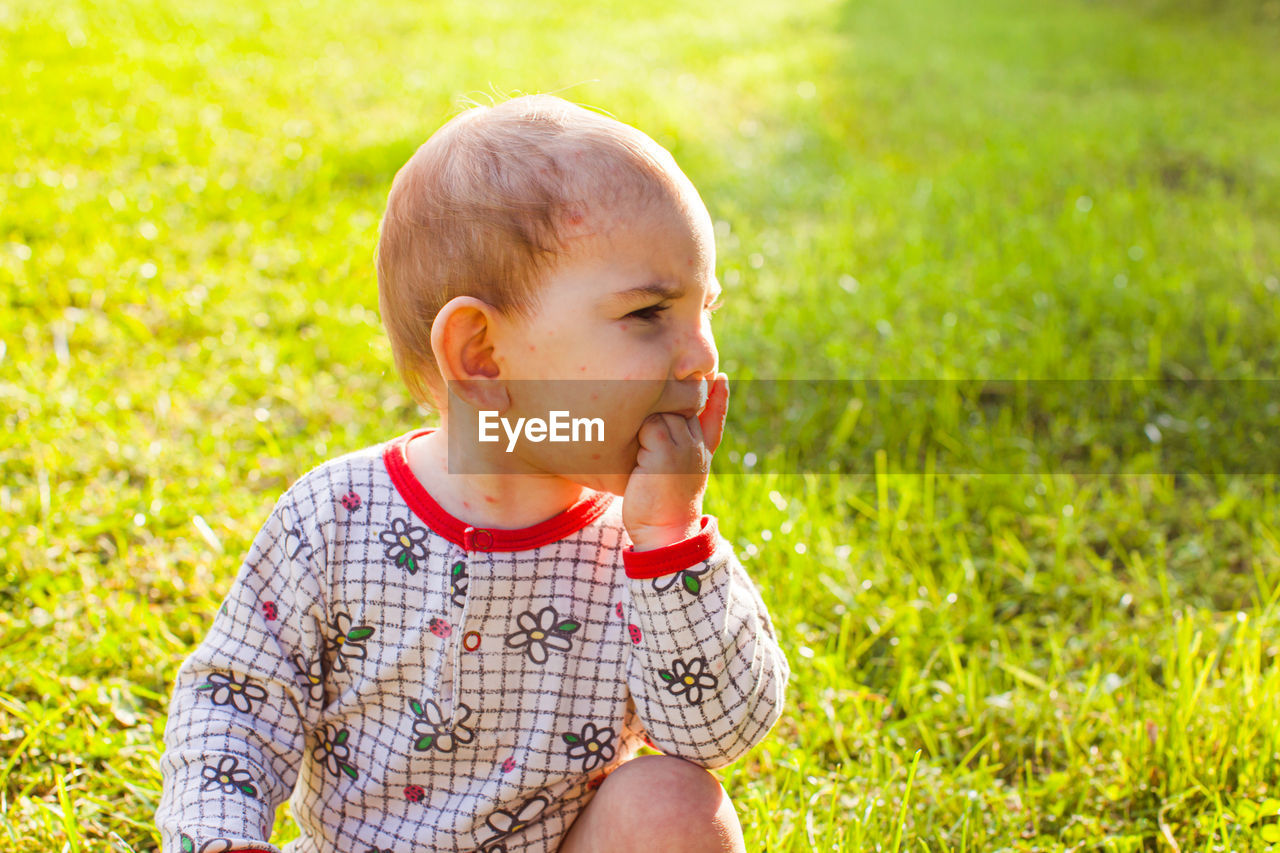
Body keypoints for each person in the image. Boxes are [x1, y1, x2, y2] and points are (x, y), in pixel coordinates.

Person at [156, 94, 790, 853]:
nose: (702, 357)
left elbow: (717, 733)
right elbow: (236, 699)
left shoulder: (645, 548)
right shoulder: (333, 519)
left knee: (675, 801)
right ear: (483, 356)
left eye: (705, 310)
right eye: (650, 313)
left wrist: (669, 540)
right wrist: (222, 836)